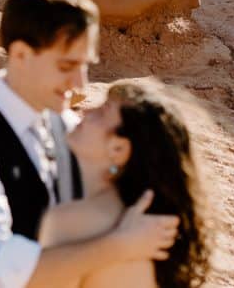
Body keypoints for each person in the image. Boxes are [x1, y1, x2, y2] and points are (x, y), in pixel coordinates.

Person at [0, 0, 179, 288]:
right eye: (66, 66)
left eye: (85, 66)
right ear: (21, 55)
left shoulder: (70, 126)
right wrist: (119, 245)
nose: (80, 84)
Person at [35, 80, 211, 287]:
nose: (87, 110)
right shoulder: (144, 221)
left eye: (102, 112)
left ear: (118, 149)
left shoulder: (75, 220)